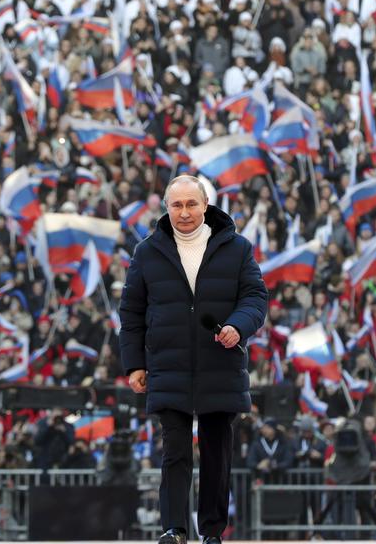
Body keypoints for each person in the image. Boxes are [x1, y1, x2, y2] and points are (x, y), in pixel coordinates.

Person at [120, 175, 267, 544]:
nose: (184, 213)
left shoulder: (237, 248)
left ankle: (213, 532)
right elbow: (131, 313)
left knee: (217, 454)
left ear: (206, 205)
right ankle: (175, 529)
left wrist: (238, 326)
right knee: (175, 452)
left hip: (220, 365)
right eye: (176, 205)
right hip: (169, 367)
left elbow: (255, 298)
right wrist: (134, 364)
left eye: (191, 204)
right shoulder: (146, 252)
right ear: (166, 208)